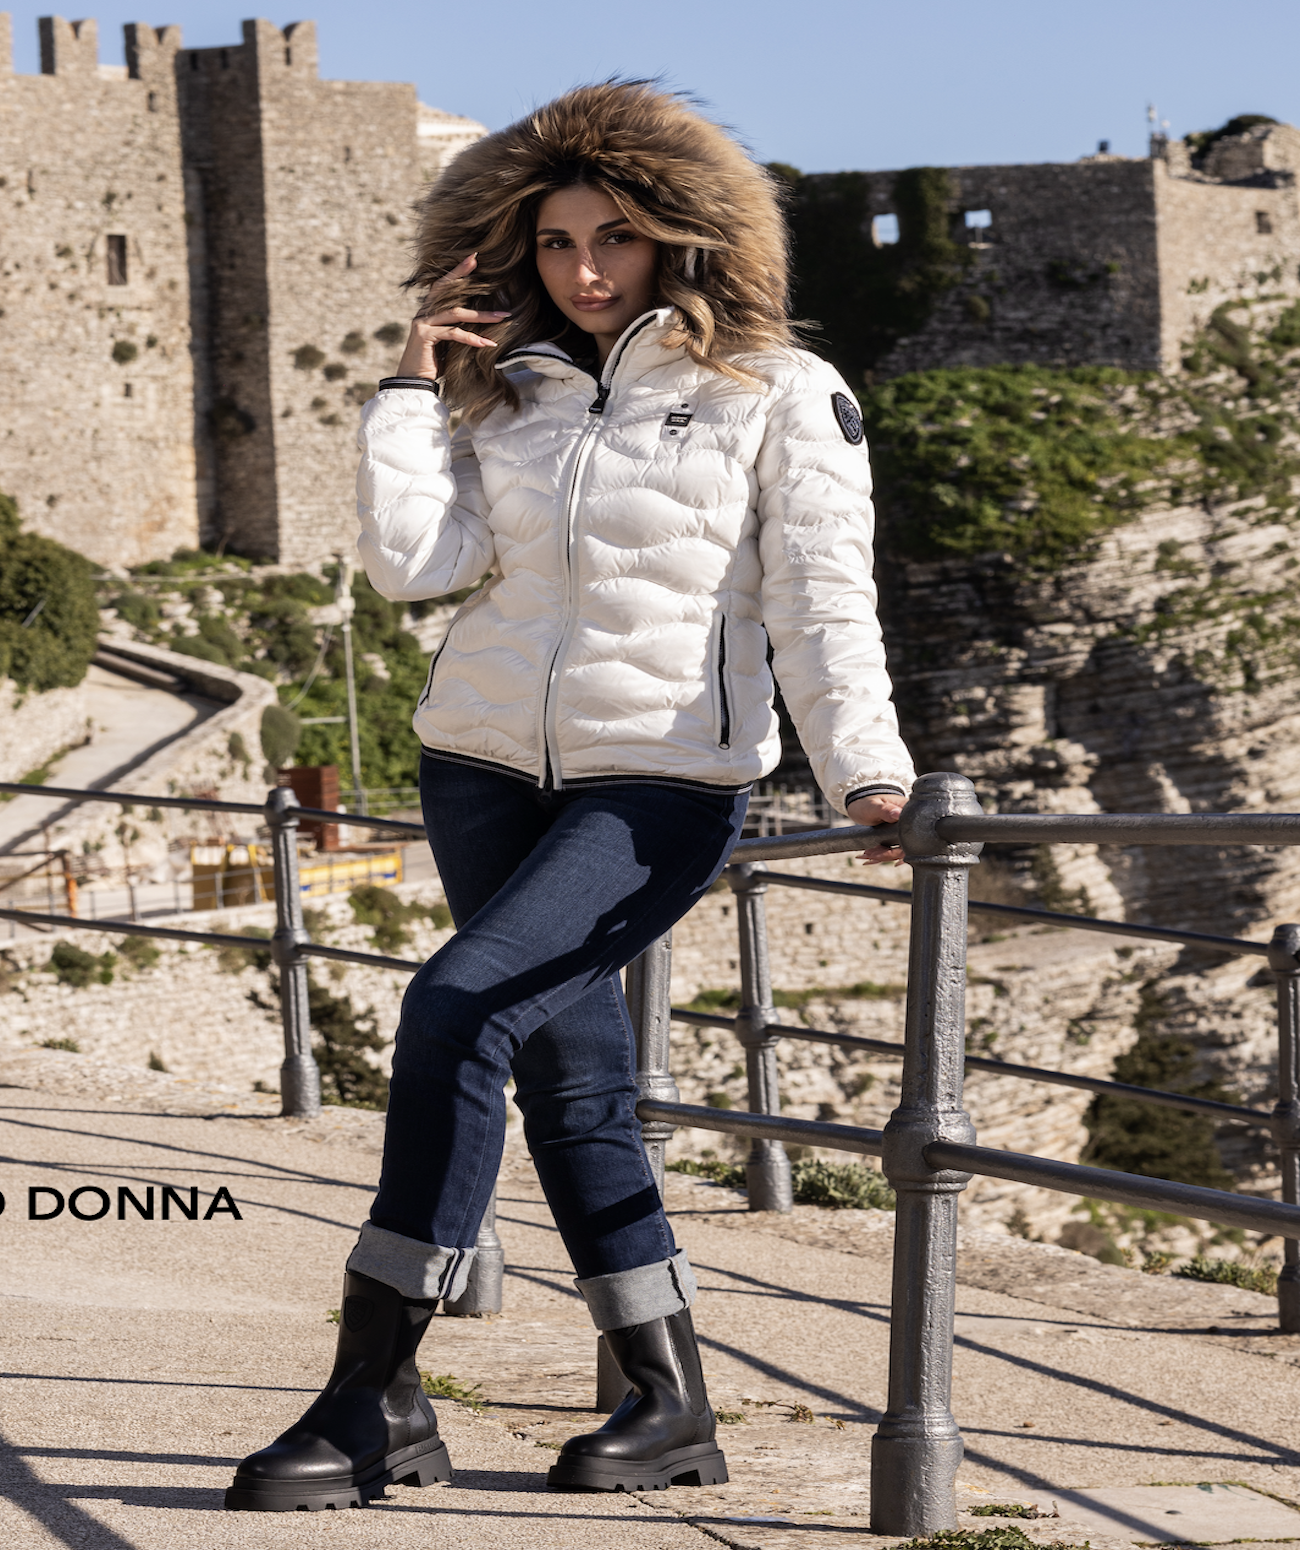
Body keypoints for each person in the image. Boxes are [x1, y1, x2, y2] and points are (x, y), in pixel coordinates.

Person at [224, 79, 915, 1513]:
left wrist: (868, 769)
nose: (587, 270)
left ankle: (369, 1396)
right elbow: (414, 567)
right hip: (478, 767)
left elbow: (820, 600)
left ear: (682, 237)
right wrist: (411, 389)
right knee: (572, 1081)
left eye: (615, 238)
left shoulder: (781, 390)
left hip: (659, 782)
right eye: (555, 242)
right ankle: (667, 1404)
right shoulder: (514, 387)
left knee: (454, 1007)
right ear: (513, 250)